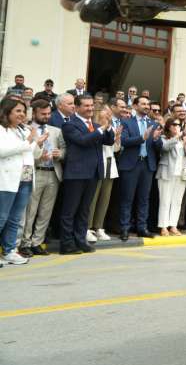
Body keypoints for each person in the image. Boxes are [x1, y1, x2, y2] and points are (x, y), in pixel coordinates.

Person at [59, 95, 115, 254]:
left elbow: (109, 141)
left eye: (91, 106)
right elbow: (83, 141)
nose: (90, 109)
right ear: (76, 108)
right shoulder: (69, 125)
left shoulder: (96, 125)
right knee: (70, 211)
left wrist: (108, 126)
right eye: (86, 106)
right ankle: (66, 244)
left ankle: (80, 240)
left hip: (93, 173)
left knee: (84, 210)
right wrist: (101, 129)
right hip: (76, 174)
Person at [18, 100, 66, 257]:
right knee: (30, 211)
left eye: (48, 114)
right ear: (34, 113)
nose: (46, 116)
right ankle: (24, 243)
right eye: (43, 114)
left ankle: (37, 243)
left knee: (46, 211)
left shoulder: (56, 131)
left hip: (53, 173)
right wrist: (39, 155)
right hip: (35, 173)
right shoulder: (26, 129)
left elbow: (64, 149)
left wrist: (61, 154)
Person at [0, 98, 44, 265]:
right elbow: (2, 151)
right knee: (1, 217)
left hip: (25, 179)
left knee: (15, 219)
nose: (22, 114)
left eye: (23, 111)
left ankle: (10, 250)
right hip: (6, 179)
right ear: (7, 112)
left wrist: (38, 144)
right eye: (17, 111)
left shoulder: (24, 130)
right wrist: (29, 142)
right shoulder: (2, 130)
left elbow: (34, 154)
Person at [117, 96, 162, 241]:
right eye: (143, 104)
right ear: (135, 106)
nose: (147, 106)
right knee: (127, 198)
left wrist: (155, 139)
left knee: (144, 198)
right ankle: (124, 228)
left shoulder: (153, 124)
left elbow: (159, 147)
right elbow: (123, 141)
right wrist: (142, 138)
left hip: (147, 164)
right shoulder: (126, 122)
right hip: (131, 164)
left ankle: (142, 228)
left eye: (148, 104)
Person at [86, 104, 121, 242]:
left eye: (109, 114)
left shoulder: (111, 128)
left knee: (104, 199)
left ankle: (99, 227)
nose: (108, 116)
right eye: (106, 113)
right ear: (98, 114)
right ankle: (88, 228)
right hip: (96, 165)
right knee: (93, 198)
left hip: (109, 165)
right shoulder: (93, 127)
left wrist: (117, 138)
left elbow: (116, 149)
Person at [156, 118, 186, 236]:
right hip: (167, 173)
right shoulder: (164, 138)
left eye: (179, 124)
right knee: (165, 201)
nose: (177, 126)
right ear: (168, 126)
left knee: (177, 201)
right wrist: (177, 136)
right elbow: (165, 148)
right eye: (175, 124)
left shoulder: (182, 139)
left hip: (180, 174)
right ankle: (163, 227)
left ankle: (173, 225)